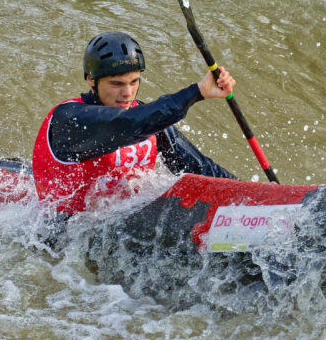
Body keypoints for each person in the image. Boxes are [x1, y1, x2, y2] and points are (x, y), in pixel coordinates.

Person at [32, 31, 237, 216]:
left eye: (134, 81)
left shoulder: (147, 118)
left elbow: (197, 168)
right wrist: (196, 92)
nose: (128, 93)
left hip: (124, 223)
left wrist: (245, 194)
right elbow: (126, 126)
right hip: (66, 235)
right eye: (116, 84)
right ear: (91, 80)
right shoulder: (71, 119)